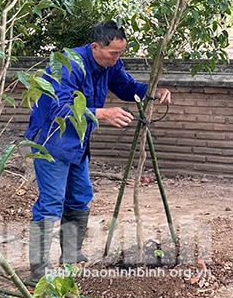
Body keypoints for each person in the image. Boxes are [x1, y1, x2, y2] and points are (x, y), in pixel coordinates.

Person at [23, 20, 172, 282]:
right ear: (95, 47)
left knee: (80, 197)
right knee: (51, 203)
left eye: (120, 54)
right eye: (113, 53)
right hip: (52, 141)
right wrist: (102, 113)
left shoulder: (109, 65)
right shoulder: (66, 64)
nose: (117, 59)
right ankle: (38, 270)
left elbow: (127, 87)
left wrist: (153, 92)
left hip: (78, 143)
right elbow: (59, 109)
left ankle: (71, 255)